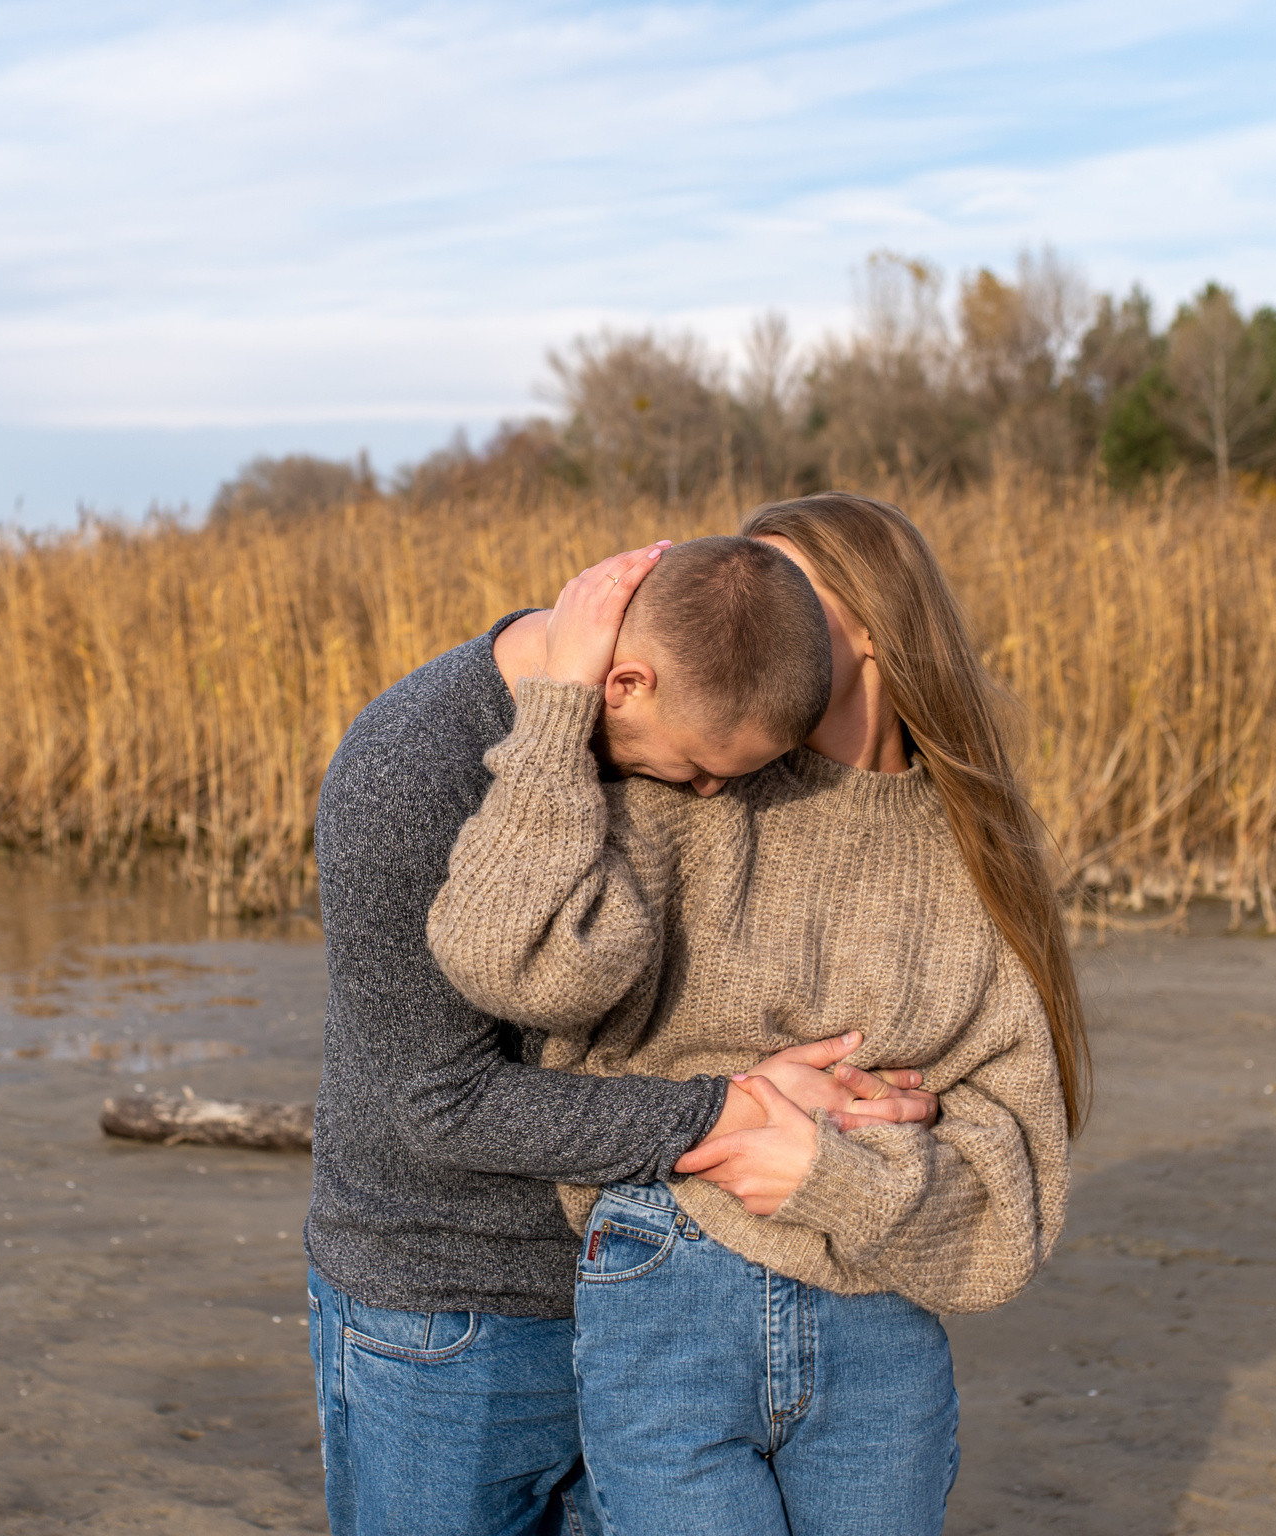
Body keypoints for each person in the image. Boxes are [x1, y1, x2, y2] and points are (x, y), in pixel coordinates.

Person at [427, 491, 1090, 1536]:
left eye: (794, 594)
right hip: (665, 1281)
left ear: (875, 630)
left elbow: (1014, 1208)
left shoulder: (980, 855)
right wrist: (557, 711)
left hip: (882, 1314)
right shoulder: (674, 792)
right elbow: (507, 966)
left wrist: (830, 1171)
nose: (759, 624)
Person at [305, 533, 942, 1536]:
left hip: (648, 1304)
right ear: (624, 684)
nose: (706, 796)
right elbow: (439, 1103)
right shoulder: (411, 769)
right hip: (443, 1314)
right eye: (695, 770)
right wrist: (735, 1105)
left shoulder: (674, 713)